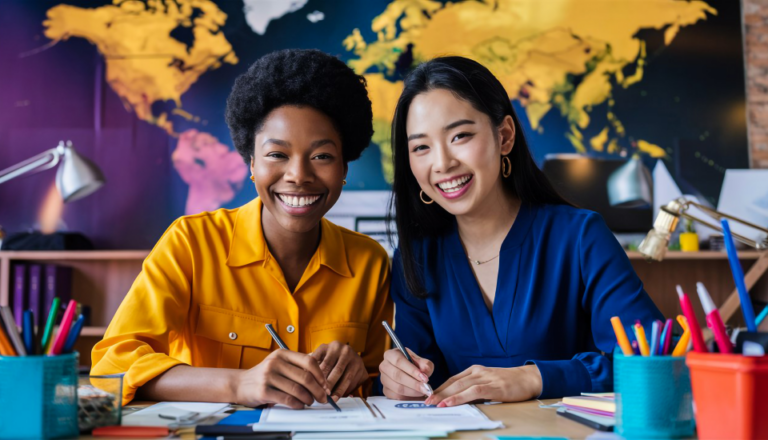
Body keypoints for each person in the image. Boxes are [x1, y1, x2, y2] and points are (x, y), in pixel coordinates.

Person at [92, 49, 393, 407]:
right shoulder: (191, 244)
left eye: (322, 156)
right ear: (251, 163)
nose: (298, 175)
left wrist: (360, 371)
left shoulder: (369, 263)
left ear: (344, 169)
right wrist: (238, 384)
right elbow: (113, 366)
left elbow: (378, 386)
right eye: (277, 155)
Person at [379, 56, 663, 407]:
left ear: (505, 137)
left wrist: (535, 377)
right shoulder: (417, 257)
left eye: (460, 136)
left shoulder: (579, 236)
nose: (442, 164)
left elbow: (654, 362)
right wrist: (398, 378)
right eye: (421, 147)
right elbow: (425, 385)